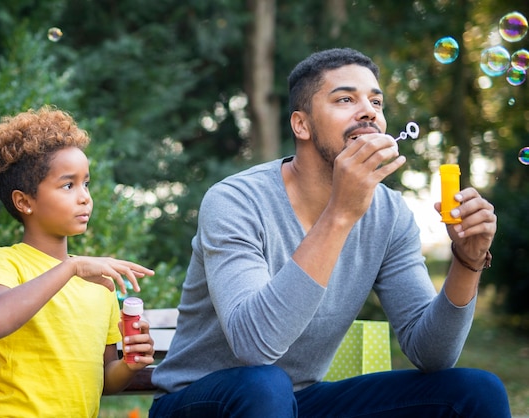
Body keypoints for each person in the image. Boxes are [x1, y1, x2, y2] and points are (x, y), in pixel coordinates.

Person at [149, 48, 510, 417]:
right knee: (264, 384)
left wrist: (467, 262)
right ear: (301, 125)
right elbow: (254, 347)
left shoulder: (389, 214)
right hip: (199, 400)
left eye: (376, 101)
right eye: (345, 99)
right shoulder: (234, 202)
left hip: (297, 400)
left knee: (475, 391)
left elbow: (431, 353)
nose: (368, 110)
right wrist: (340, 213)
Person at [0, 106, 155, 417]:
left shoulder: (100, 286)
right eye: (68, 185)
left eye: (86, 183)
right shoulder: (7, 262)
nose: (85, 196)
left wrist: (129, 363)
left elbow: (104, 380)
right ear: (25, 202)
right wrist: (71, 267)